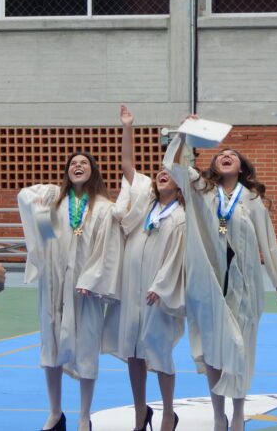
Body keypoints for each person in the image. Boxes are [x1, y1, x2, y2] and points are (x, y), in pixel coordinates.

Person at [163, 117, 277, 431]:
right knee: (213, 347)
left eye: (232, 155)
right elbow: (173, 164)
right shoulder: (200, 190)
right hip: (209, 282)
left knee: (240, 346)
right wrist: (184, 133)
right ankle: (218, 413)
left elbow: (268, 240)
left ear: (242, 168)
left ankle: (238, 412)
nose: (226, 156)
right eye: (222, 154)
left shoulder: (252, 200)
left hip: (244, 285)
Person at [18, 152, 122, 431]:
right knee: (50, 346)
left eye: (84, 163)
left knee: (87, 346)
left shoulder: (103, 207)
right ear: (66, 171)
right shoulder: (57, 202)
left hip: (85, 288)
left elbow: (107, 250)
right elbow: (46, 240)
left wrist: (92, 279)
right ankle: (54, 413)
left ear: (93, 171)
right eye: (73, 163)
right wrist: (40, 213)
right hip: (54, 284)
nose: (78, 166)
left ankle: (84, 415)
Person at [102, 105, 184, 431]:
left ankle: (167, 413)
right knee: (134, 353)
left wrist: (161, 286)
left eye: (170, 175)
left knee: (159, 352)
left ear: (180, 187)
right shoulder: (143, 204)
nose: (162, 175)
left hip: (158, 292)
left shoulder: (180, 217)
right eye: (160, 174)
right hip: (132, 288)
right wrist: (127, 127)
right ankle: (140, 413)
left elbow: (176, 257)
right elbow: (127, 166)